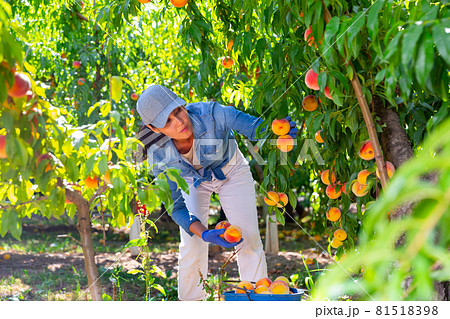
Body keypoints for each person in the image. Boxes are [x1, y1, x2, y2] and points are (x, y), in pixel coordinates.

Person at [135, 84, 297, 301]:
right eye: (168, 121)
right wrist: (203, 233)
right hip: (191, 181)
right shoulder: (157, 153)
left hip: (231, 170)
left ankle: (257, 303)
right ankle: (192, 304)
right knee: (191, 244)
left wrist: (279, 131)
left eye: (178, 111)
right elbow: (175, 207)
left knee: (248, 239)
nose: (180, 122)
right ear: (154, 129)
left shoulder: (213, 114)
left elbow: (256, 128)